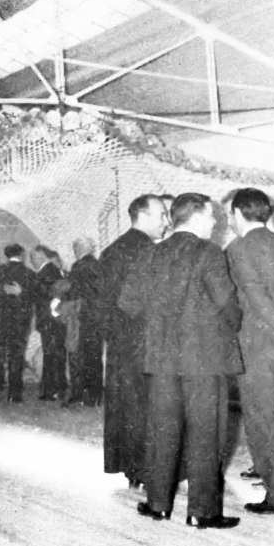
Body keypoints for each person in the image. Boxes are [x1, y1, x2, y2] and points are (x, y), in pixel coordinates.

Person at [119, 193, 242, 529]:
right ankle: (202, 512)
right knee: (206, 434)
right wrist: (228, 325)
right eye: (211, 216)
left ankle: (157, 504)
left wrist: (158, 323)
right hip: (204, 360)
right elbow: (227, 303)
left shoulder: (150, 252)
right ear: (196, 217)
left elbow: (128, 303)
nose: (214, 222)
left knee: (161, 432)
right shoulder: (208, 252)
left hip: (161, 360)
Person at [100, 194, 167, 488]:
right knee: (146, 407)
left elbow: (103, 304)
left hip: (120, 344)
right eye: (161, 214)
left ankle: (131, 470)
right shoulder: (149, 251)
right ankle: (146, 469)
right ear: (143, 215)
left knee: (124, 407)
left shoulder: (112, 251)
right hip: (146, 343)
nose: (166, 221)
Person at [225, 188, 274, 515]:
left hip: (259, 348)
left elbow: (257, 299)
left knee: (264, 420)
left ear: (237, 213)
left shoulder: (238, 248)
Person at [0, 243, 36, 403]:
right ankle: (14, 394)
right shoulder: (29, 273)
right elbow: (34, 298)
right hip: (20, 322)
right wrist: (21, 293)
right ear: (22, 254)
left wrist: (3, 290)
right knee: (17, 357)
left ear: (6, 255)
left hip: (0, 321)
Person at [65, 237, 102, 406]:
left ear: (78, 249)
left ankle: (77, 395)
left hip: (80, 317)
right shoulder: (98, 265)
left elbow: (72, 292)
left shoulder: (78, 266)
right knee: (94, 357)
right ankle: (95, 396)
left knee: (77, 358)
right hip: (96, 318)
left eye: (75, 247)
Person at [31, 245, 66, 401]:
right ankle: (56, 388)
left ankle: (51, 390)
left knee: (51, 355)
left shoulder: (47, 272)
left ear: (41, 256)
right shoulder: (52, 270)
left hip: (49, 321)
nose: (32, 260)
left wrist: (25, 292)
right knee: (54, 354)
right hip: (54, 320)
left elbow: (45, 294)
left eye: (33, 257)